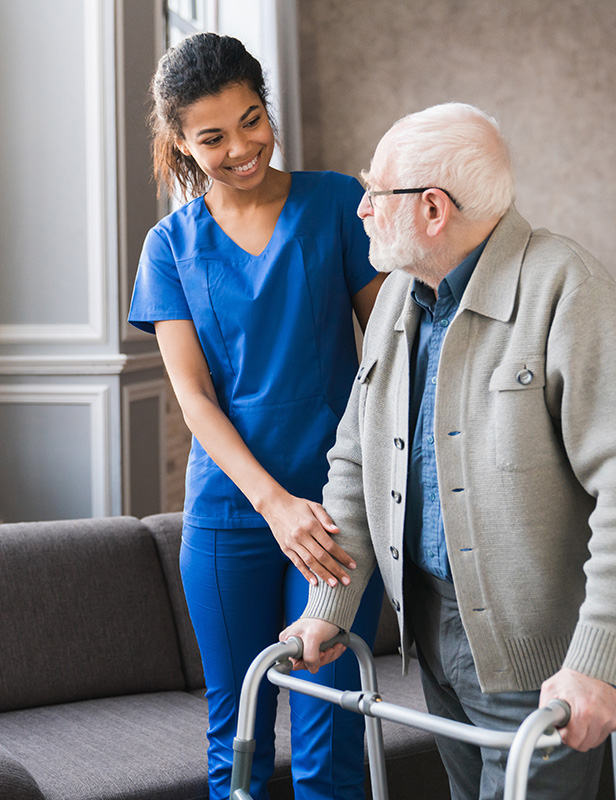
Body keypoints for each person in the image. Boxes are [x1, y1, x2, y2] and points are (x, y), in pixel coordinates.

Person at [281, 102, 616, 799]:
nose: (362, 211)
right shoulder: (397, 302)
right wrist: (329, 604)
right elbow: (356, 460)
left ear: (433, 209)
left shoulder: (565, 288)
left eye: (374, 193)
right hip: (431, 639)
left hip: (541, 662)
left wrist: (597, 663)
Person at [128, 32, 384, 800]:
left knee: (329, 735)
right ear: (179, 140)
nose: (242, 147)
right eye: (212, 136)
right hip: (229, 518)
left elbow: (388, 360)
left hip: (337, 516)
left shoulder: (338, 204)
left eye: (251, 119)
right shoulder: (168, 246)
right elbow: (194, 399)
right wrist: (272, 505)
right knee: (235, 735)